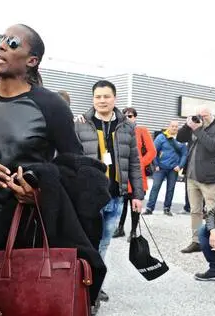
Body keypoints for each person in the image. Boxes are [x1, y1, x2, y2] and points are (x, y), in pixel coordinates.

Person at [0, 24, 84, 316]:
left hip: (30, 226)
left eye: (11, 43)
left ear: (32, 60)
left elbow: (77, 166)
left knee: (25, 303)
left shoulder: (50, 105)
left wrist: (40, 189)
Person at [74, 80, 145, 303]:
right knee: (86, 241)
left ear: (114, 98)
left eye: (106, 96)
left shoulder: (127, 127)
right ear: (93, 99)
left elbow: (134, 162)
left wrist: (137, 195)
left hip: (115, 196)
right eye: (97, 97)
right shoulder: (79, 124)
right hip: (88, 197)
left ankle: (96, 284)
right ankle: (80, 284)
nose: (101, 101)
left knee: (104, 242)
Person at [177, 107, 215, 254]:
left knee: (212, 211)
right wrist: (188, 125)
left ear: (212, 115)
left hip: (209, 178)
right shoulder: (195, 127)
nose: (202, 118)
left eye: (205, 116)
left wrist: (198, 129)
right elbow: (180, 138)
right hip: (192, 176)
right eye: (199, 115)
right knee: (195, 211)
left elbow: (213, 146)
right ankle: (196, 241)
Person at [114, 107, 156, 238]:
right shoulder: (119, 130)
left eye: (131, 115)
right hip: (122, 174)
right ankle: (120, 228)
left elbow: (152, 151)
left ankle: (133, 231)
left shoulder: (141, 130)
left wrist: (139, 164)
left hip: (136, 175)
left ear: (135, 117)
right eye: (125, 115)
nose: (128, 117)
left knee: (135, 203)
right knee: (122, 203)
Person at [144, 120, 187, 216]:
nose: (174, 128)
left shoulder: (181, 139)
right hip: (160, 168)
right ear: (168, 126)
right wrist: (156, 165)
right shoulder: (161, 137)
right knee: (155, 187)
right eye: (172, 126)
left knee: (170, 189)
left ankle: (167, 208)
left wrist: (180, 166)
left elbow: (184, 154)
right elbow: (153, 151)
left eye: (176, 126)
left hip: (173, 169)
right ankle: (149, 208)